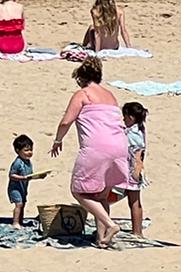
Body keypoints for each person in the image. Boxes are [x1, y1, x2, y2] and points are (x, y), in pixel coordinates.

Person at [50, 57, 128, 249]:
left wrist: (58, 140)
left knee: (78, 191)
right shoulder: (110, 95)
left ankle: (110, 225)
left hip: (96, 148)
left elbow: (66, 121)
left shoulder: (82, 94)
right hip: (119, 147)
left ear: (82, 78)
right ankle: (101, 239)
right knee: (101, 194)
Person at [114, 102, 148, 237]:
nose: (123, 119)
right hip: (137, 171)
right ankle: (137, 231)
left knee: (133, 202)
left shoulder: (131, 133)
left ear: (131, 117)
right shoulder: (140, 129)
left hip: (130, 170)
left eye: (125, 117)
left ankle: (137, 232)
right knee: (135, 202)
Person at [7, 134, 44, 226]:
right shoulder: (18, 163)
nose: (29, 152)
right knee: (18, 204)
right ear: (18, 151)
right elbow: (11, 175)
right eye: (26, 150)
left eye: (31, 150)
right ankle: (15, 222)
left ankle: (20, 221)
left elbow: (29, 175)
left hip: (23, 188)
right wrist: (23, 178)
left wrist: (39, 176)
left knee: (23, 204)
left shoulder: (28, 162)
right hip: (15, 188)